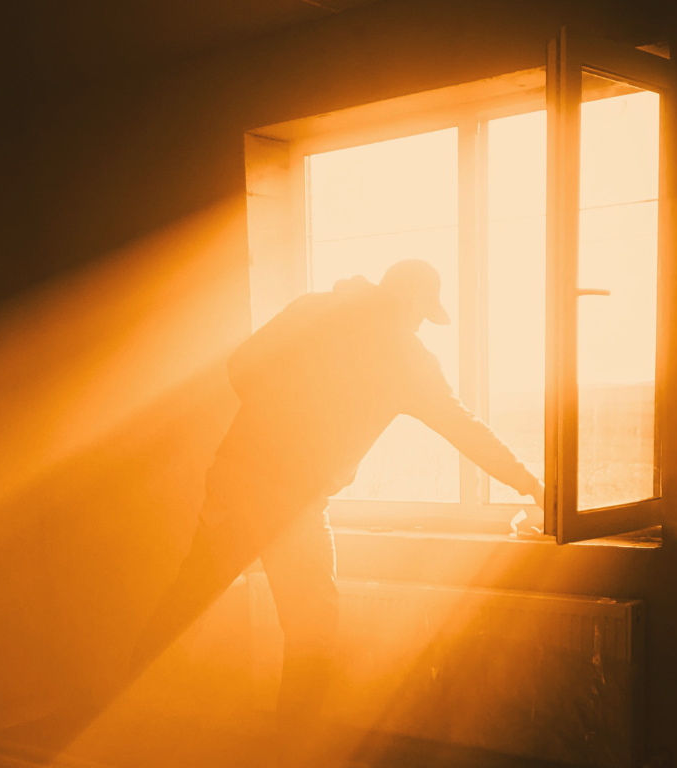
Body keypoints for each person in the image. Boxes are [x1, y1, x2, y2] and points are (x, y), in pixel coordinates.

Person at [129, 259, 544, 731]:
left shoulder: (315, 309)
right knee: (313, 627)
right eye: (423, 315)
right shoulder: (404, 354)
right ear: (414, 300)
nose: (420, 325)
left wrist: (278, 410)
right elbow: (464, 428)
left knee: (191, 593)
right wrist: (531, 485)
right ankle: (288, 750)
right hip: (290, 496)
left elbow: (240, 364)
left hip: (233, 473)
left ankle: (128, 717)